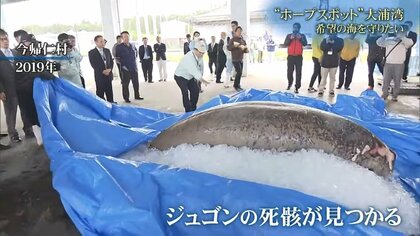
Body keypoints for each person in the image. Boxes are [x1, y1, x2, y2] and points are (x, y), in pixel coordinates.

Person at [14, 33, 57, 146]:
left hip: (34, 88)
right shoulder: (19, 55)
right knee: (32, 114)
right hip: (25, 89)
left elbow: (43, 65)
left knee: (40, 112)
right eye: (28, 43)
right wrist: (48, 75)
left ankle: (44, 135)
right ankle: (40, 139)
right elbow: (33, 70)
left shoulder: (35, 52)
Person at [0, 28, 34, 143]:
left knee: (25, 109)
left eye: (6, 38)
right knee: (11, 112)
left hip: (21, 87)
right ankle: (13, 134)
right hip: (7, 89)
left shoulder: (15, 52)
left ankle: (28, 129)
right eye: (2, 39)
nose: (5, 41)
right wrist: (1, 91)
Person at [376, 29, 413, 101]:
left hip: (399, 64)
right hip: (388, 63)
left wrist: (402, 37)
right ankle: (385, 94)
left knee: (397, 81)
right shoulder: (388, 40)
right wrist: (383, 36)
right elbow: (378, 42)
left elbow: (411, 43)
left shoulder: (405, 41)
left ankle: (395, 96)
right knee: (386, 80)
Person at [174, 41, 210, 112]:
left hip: (190, 77)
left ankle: (193, 107)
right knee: (185, 92)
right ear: (195, 50)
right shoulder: (189, 58)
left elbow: (201, 67)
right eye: (201, 53)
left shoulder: (200, 56)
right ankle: (188, 111)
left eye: (203, 53)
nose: (202, 54)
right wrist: (202, 80)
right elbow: (194, 71)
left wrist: (201, 77)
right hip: (180, 77)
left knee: (195, 90)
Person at [116, 31, 143, 103]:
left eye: (127, 36)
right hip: (125, 69)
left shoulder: (132, 45)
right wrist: (123, 66)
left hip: (134, 67)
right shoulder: (119, 47)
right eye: (124, 37)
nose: (126, 38)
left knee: (136, 83)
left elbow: (136, 54)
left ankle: (137, 95)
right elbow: (117, 58)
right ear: (122, 38)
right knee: (125, 84)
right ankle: (126, 97)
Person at [88, 35, 115, 103]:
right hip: (100, 75)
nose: (103, 43)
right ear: (96, 42)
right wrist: (102, 71)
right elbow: (93, 64)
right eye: (101, 41)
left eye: (104, 41)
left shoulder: (107, 50)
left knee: (109, 91)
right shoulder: (91, 52)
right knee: (100, 92)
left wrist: (110, 69)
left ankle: (111, 103)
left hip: (108, 75)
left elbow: (111, 62)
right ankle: (102, 106)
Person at [284, 22, 308, 93]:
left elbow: (305, 43)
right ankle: (289, 83)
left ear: (299, 28)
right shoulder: (289, 35)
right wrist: (290, 39)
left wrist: (300, 38)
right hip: (290, 57)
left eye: (296, 27)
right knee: (289, 72)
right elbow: (285, 44)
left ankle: (297, 87)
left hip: (299, 57)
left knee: (298, 72)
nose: (295, 29)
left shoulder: (302, 35)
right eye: (294, 27)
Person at [318, 32, 344, 97]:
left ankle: (331, 91)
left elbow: (339, 48)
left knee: (332, 78)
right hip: (325, 62)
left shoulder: (340, 40)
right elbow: (322, 48)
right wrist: (327, 43)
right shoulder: (325, 40)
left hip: (334, 62)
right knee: (323, 78)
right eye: (330, 34)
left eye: (333, 34)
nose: (332, 35)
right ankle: (321, 90)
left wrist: (333, 43)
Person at [228, 26, 248, 92]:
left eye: (240, 31)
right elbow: (229, 48)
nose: (239, 32)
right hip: (235, 59)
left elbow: (245, 49)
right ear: (235, 32)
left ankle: (238, 85)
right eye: (238, 31)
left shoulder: (243, 40)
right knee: (239, 72)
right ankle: (236, 85)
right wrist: (234, 46)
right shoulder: (232, 39)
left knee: (240, 72)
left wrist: (246, 50)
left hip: (241, 59)